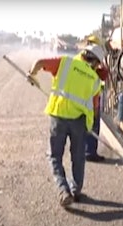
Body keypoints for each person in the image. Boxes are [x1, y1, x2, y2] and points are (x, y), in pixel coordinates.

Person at [27, 45, 105, 207]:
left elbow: (40, 62)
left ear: (83, 54)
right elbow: (95, 107)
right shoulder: (95, 80)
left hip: (59, 117)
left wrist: (32, 74)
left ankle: (64, 190)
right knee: (78, 156)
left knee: (55, 156)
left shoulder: (65, 63)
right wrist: (89, 126)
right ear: (97, 63)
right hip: (79, 121)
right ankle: (75, 190)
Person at [75, 35, 109, 162]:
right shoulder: (92, 62)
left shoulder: (78, 58)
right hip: (90, 98)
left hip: (79, 98)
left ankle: (82, 150)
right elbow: (104, 74)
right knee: (93, 124)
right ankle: (90, 152)